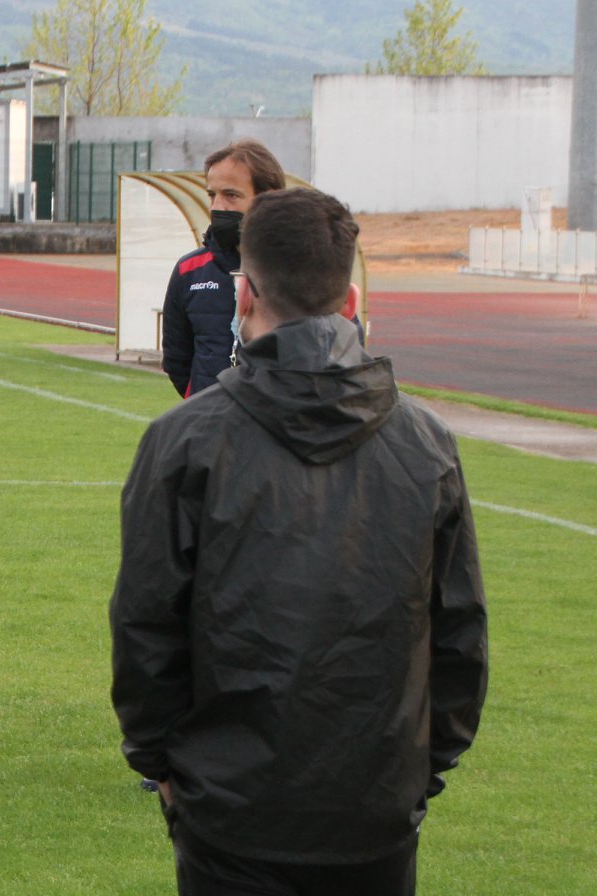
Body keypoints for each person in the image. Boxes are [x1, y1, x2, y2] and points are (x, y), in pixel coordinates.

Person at [111, 186, 489, 896]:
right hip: (254, 805)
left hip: (323, 804)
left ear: (244, 295)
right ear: (349, 303)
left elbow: (142, 628)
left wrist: (422, 769)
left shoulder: (420, 442)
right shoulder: (192, 441)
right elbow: (149, 627)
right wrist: (165, 767)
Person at [161, 139, 286, 397]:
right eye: (211, 195)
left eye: (231, 195)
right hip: (209, 427)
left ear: (268, 199)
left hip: (278, 430)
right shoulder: (189, 270)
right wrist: (201, 401)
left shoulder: (307, 269)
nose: (217, 207)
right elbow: (177, 360)